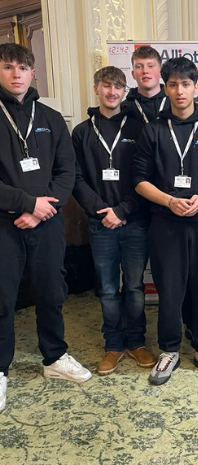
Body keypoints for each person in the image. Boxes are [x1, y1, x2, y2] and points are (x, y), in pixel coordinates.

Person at [0, 43, 91, 412]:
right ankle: (0, 369)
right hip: (4, 223)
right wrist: (26, 204)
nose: (16, 74)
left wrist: (41, 210)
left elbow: (67, 171)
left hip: (47, 221)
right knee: (2, 298)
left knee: (52, 291)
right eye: (8, 67)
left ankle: (54, 356)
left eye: (23, 68)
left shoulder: (51, 118)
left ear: (33, 73)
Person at [134, 57, 198, 386]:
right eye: (173, 84)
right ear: (165, 88)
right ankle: (169, 350)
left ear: (196, 87)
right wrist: (169, 201)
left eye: (186, 84)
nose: (180, 91)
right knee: (170, 290)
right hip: (166, 224)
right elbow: (139, 180)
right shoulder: (153, 130)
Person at [72, 66, 154, 376]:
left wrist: (122, 210)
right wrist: (102, 211)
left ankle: (136, 342)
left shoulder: (140, 128)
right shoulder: (82, 132)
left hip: (134, 221)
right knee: (107, 289)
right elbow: (76, 178)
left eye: (118, 87)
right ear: (96, 89)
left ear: (124, 91)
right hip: (99, 223)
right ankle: (113, 345)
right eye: (106, 86)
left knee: (134, 287)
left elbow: (147, 176)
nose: (112, 92)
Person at [121, 45, 169, 123]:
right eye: (139, 66)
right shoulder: (123, 109)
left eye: (150, 66)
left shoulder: (175, 104)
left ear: (161, 72)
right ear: (133, 74)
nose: (145, 71)